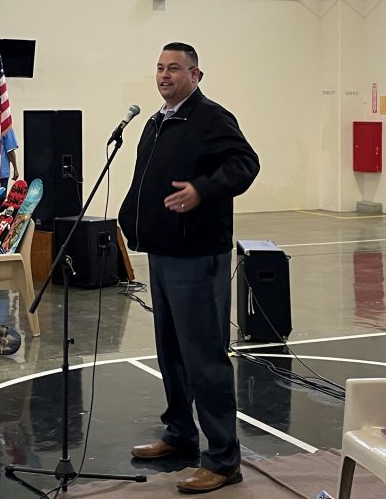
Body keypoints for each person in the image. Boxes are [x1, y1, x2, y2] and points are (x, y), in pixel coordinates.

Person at [118, 42, 260, 494]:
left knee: (204, 357)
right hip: (162, 254)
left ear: (196, 75)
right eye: (160, 67)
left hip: (197, 256)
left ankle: (222, 459)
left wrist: (202, 190)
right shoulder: (157, 122)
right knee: (172, 354)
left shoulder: (210, 117)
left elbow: (245, 164)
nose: (164, 75)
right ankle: (180, 434)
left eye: (174, 68)